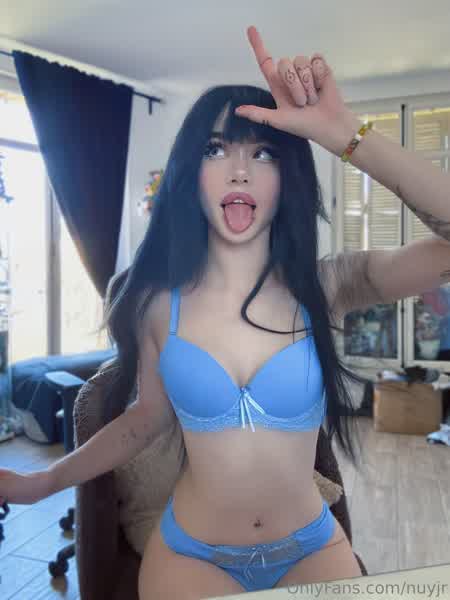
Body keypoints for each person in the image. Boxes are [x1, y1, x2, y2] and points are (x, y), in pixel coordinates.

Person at [2, 24, 450, 598]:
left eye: (263, 153)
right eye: (216, 150)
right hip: (191, 556)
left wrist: (345, 134)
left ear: (287, 177)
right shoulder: (156, 304)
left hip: (311, 549)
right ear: (190, 176)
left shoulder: (327, 284)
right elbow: (143, 421)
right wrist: (42, 483)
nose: (240, 170)